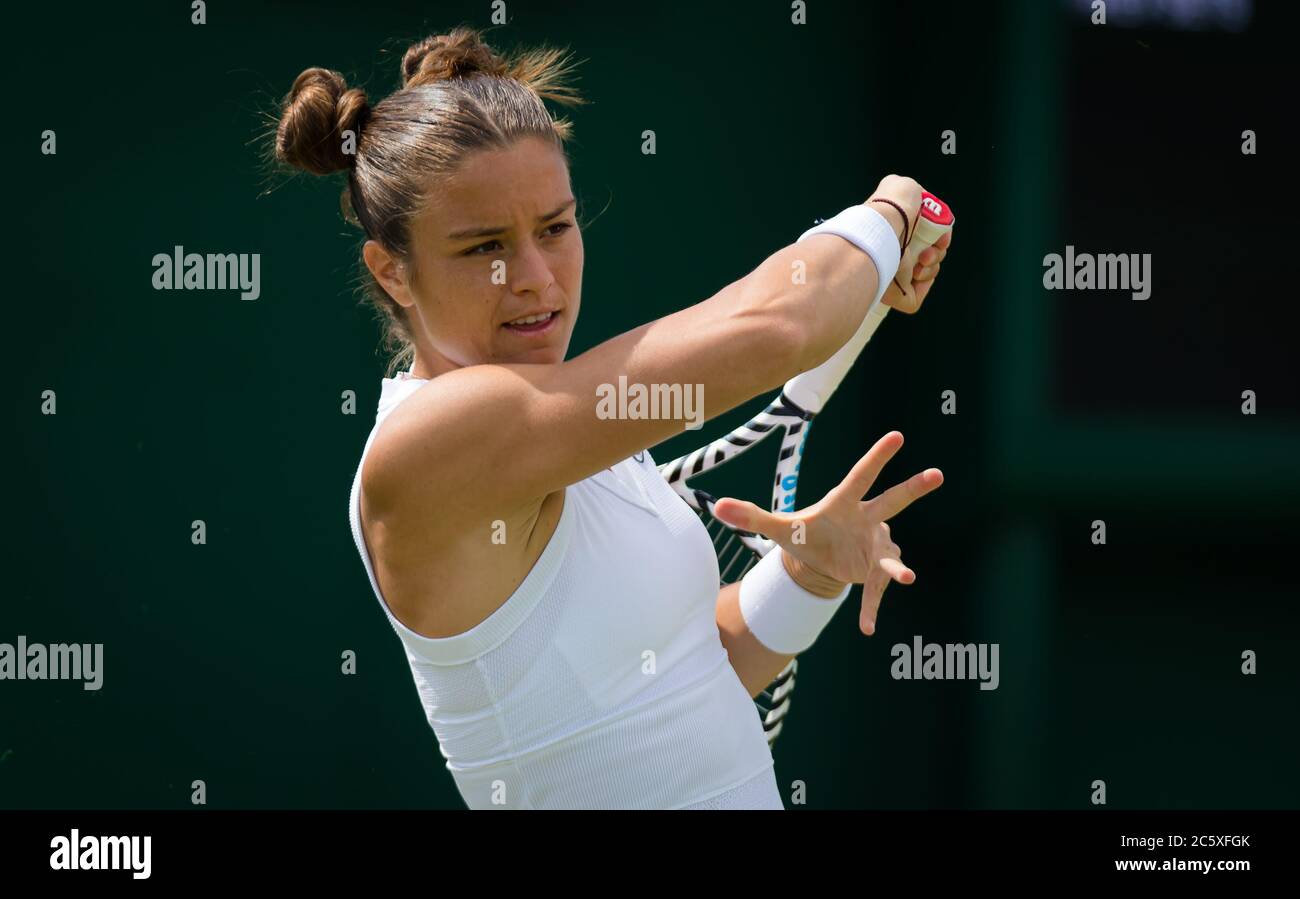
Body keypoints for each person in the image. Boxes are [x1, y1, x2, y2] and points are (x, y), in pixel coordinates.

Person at [273, 26, 952, 809]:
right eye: (484, 245)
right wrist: (896, 207)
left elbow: (677, 692)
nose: (534, 277)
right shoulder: (433, 447)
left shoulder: (563, 432)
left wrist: (808, 575)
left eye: (555, 228)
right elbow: (780, 328)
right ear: (392, 269)